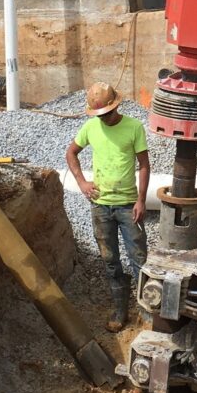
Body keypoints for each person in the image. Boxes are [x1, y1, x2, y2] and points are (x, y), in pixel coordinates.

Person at [65, 83, 150, 332]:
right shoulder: (91, 127)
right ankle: (120, 310)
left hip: (127, 206)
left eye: (107, 113)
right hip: (101, 207)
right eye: (99, 115)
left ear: (117, 106)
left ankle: (147, 310)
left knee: (139, 259)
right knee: (110, 260)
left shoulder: (134, 127)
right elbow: (71, 153)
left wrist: (141, 200)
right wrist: (82, 182)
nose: (103, 118)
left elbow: (144, 165)